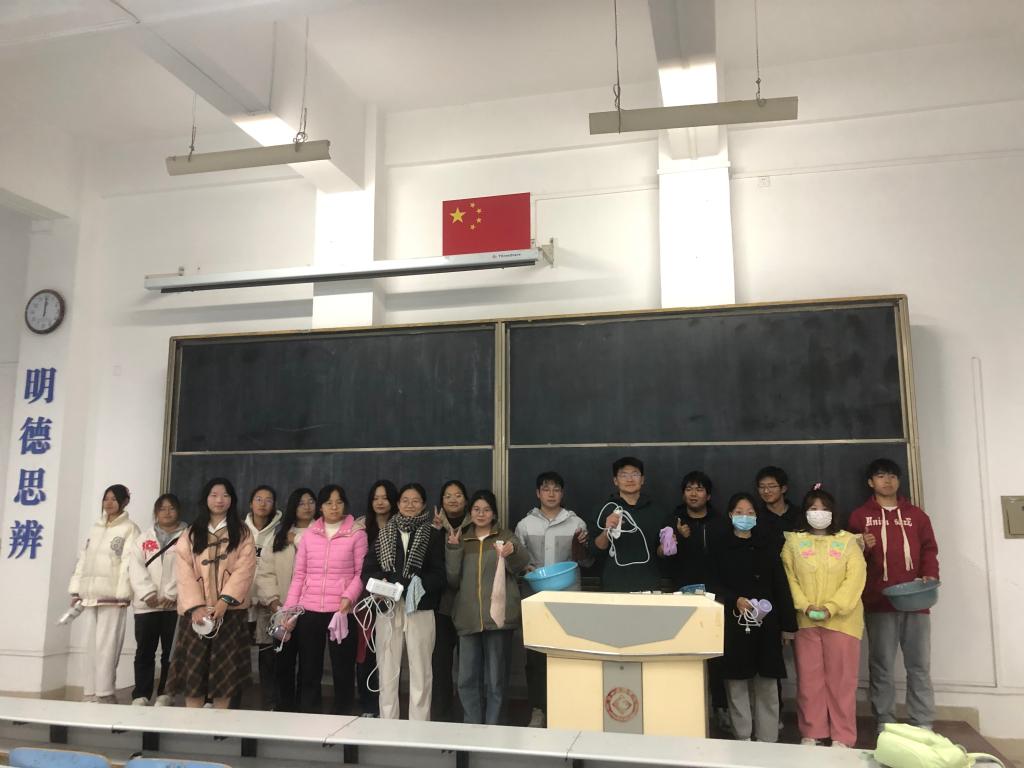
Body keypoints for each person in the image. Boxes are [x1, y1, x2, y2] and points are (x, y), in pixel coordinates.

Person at [847, 458, 939, 732]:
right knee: (882, 665)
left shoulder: (917, 516)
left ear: (899, 481)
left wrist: (930, 574)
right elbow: (847, 558)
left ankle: (922, 721)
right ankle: (885, 720)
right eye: (880, 476)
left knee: (919, 665)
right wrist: (862, 546)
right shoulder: (859, 516)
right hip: (879, 602)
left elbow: (929, 549)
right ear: (870, 482)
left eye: (892, 476)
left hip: (917, 600)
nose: (887, 481)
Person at [707, 492, 796, 743]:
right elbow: (712, 583)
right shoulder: (720, 547)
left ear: (757, 516)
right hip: (733, 622)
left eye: (750, 513)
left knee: (767, 683)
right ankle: (743, 737)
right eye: (739, 512)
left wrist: (788, 626)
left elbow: (781, 586)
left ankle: (768, 738)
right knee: (736, 683)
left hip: (767, 624)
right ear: (730, 515)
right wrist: (734, 599)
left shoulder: (768, 546)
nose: (744, 517)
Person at [782, 485, 866, 748]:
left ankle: (843, 736)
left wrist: (832, 606)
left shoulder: (848, 541)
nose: (818, 513)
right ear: (805, 512)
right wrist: (804, 605)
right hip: (806, 620)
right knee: (809, 681)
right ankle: (812, 732)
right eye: (813, 508)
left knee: (842, 681)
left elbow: (855, 579)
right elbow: (789, 578)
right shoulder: (793, 542)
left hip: (842, 622)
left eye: (824, 509)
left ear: (833, 512)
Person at [166, 478, 256, 708]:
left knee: (224, 675)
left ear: (232, 500)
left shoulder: (242, 533)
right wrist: (196, 606)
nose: (219, 500)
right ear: (205, 499)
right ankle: (192, 720)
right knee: (193, 673)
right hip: (197, 614)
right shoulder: (191, 532)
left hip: (229, 613)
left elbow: (245, 569)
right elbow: (184, 571)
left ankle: (220, 722)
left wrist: (225, 601)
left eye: (225, 495)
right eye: (214, 495)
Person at [361, 482, 445, 721]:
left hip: (420, 608)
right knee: (387, 669)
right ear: (397, 504)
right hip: (388, 609)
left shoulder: (433, 535)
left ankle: (419, 725)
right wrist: (381, 584)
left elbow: (440, 575)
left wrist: (418, 585)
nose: (410, 505)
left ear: (423, 505)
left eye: (415, 501)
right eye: (405, 500)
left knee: (421, 670)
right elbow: (367, 571)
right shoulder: (384, 534)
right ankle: (388, 723)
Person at [513, 471, 590, 727]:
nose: (551, 494)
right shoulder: (525, 525)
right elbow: (517, 561)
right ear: (538, 493)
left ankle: (567, 709)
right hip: (535, 599)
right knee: (535, 657)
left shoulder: (576, 523)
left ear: (562, 493)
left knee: (567, 654)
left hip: (568, 599)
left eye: (556, 489)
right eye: (546, 489)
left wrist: (582, 547)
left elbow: (587, 562)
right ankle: (538, 708)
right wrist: (524, 568)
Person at [446, 490, 529, 725]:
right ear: (470, 512)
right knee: (466, 679)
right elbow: (453, 580)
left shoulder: (505, 536)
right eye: (476, 509)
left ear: (494, 513)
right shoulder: (462, 539)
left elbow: (521, 564)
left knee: (496, 680)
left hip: (498, 619)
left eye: (486, 510)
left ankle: (494, 728)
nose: (481, 514)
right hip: (468, 618)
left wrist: (513, 552)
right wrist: (453, 549)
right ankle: (472, 726)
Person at [282, 483, 367, 714]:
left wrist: (348, 597)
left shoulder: (357, 533)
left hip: (341, 611)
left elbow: (361, 573)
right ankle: (309, 716)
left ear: (345, 505)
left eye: (339, 502)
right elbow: (299, 575)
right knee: (309, 669)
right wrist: (289, 609)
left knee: (343, 669)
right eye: (329, 503)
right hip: (310, 610)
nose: (334, 507)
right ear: (321, 507)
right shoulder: (309, 535)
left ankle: (343, 716)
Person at [68, 484, 140, 703]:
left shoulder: (130, 528)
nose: (108, 503)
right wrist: (76, 590)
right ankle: (90, 692)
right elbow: (83, 559)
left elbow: (129, 563)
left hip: (113, 597)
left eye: (114, 499)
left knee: (108, 646)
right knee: (90, 646)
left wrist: (122, 593)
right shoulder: (96, 527)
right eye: (106, 498)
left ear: (124, 501)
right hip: (90, 596)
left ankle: (105, 692)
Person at [671, 471, 729, 732]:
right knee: (686, 655)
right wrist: (679, 539)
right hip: (682, 598)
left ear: (709, 495)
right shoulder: (673, 520)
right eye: (689, 489)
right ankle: (688, 708)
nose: (693, 494)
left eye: (699, 489)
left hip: (716, 598)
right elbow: (664, 559)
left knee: (718, 656)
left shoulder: (721, 523)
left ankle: (720, 707)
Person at [256, 487, 317, 712]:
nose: (307, 507)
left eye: (311, 502)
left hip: (313, 610)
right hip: (282, 610)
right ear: (293, 506)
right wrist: (274, 603)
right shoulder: (279, 536)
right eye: (301, 503)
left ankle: (307, 710)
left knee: (310, 664)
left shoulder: (322, 533)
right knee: (283, 663)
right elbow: (265, 572)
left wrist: (298, 539)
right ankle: (284, 708)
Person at [128, 493, 186, 706]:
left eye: (172, 508)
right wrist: (148, 593)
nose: (167, 512)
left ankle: (166, 693)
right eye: (162, 509)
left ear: (178, 511)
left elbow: (188, 568)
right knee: (144, 651)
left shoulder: (188, 537)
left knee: (170, 653)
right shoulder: (143, 538)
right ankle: (141, 694)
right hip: (147, 606)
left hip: (174, 606)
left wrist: (172, 594)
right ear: (156, 512)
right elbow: (135, 567)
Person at [589, 457, 673, 593]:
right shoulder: (603, 510)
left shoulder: (658, 511)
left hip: (649, 586)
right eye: (624, 475)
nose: (630, 479)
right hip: (613, 586)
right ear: (615, 480)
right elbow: (595, 551)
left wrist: (666, 548)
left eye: (635, 474)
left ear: (642, 479)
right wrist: (607, 531)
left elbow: (661, 553)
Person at [355, 480, 397, 717]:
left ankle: (387, 706)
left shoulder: (401, 526)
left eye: (385, 497)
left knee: (389, 654)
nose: (380, 502)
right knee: (366, 654)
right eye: (375, 498)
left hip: (393, 599)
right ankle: (368, 706)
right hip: (366, 600)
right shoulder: (360, 527)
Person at [430, 479, 468, 721]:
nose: (453, 500)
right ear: (441, 501)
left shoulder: (476, 525)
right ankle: (442, 716)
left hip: (469, 605)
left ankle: (466, 714)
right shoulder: (433, 527)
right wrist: (435, 533)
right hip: (440, 606)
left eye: (458, 495)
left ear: (466, 499)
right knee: (440, 664)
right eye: (448, 496)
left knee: (468, 665)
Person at [244, 484, 282, 709]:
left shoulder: (281, 531)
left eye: (268, 500)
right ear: (251, 503)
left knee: (268, 653)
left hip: (269, 602)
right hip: (241, 601)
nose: (263, 503)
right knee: (238, 652)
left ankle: (270, 702)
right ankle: (232, 700)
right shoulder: (239, 529)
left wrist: (270, 596)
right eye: (258, 499)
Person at [755, 466, 803, 545]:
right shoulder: (756, 517)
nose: (766, 491)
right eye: (762, 487)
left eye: (771, 486)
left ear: (783, 488)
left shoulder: (799, 514)